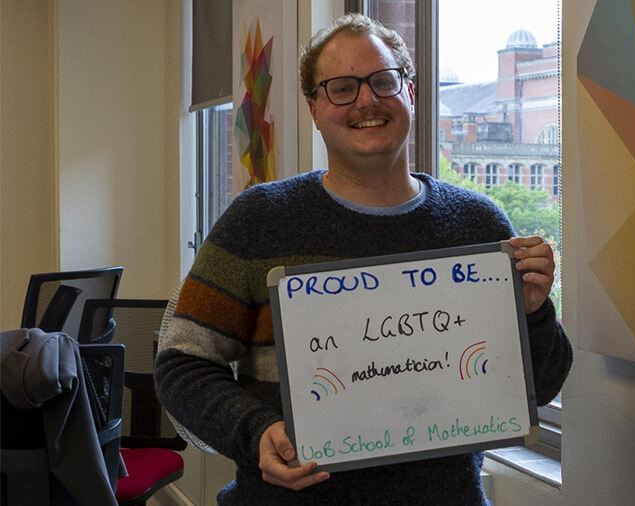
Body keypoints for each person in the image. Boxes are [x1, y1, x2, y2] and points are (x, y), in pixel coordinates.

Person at [155, 13, 572, 505]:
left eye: (383, 81)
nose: (367, 101)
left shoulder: (479, 226)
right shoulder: (259, 220)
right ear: (314, 109)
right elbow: (182, 363)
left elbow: (537, 388)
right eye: (342, 88)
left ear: (409, 92)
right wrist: (256, 429)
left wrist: (534, 312)